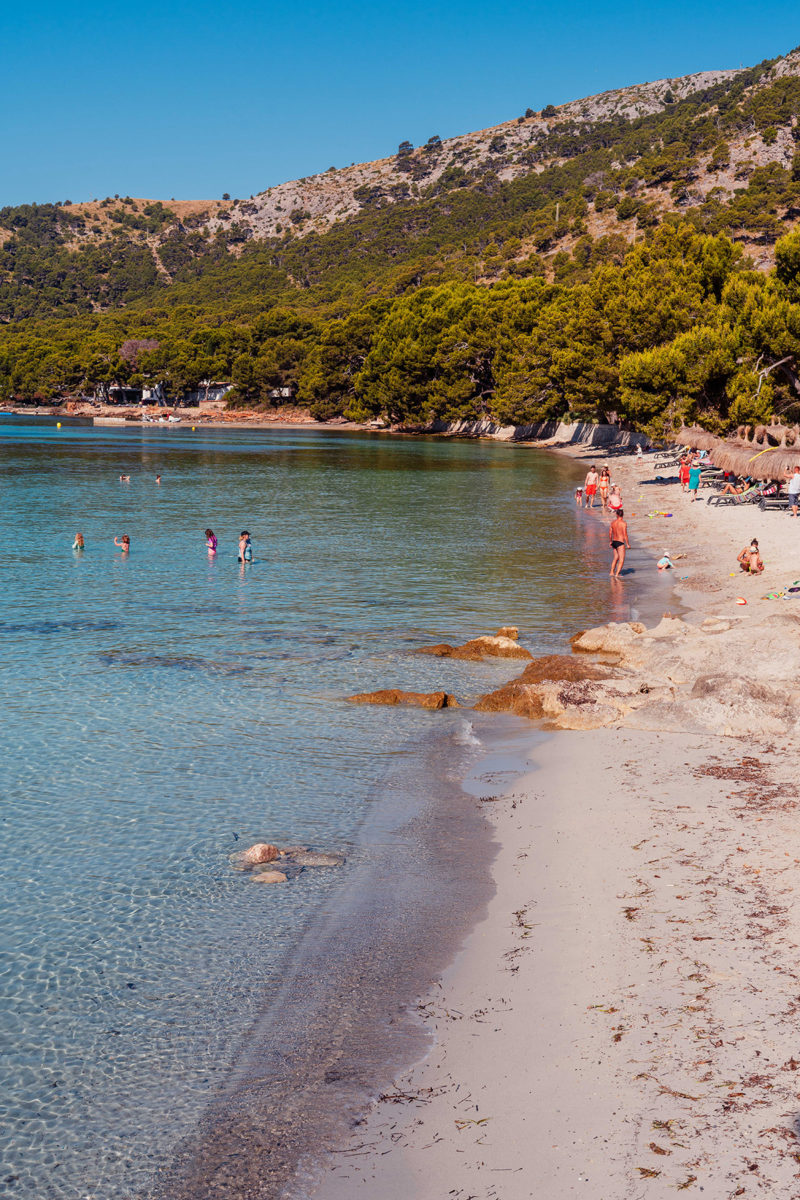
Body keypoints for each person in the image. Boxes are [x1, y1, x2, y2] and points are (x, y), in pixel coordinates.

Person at [609, 509, 630, 577]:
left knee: (615, 558)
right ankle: (617, 574)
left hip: (614, 542)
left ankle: (611, 572)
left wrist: (610, 541)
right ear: (623, 515)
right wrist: (627, 544)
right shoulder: (623, 523)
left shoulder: (613, 522)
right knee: (621, 559)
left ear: (616, 514)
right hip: (620, 542)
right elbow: (625, 534)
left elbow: (610, 533)